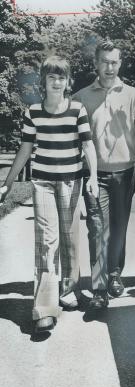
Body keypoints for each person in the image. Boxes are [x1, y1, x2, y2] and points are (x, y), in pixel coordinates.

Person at [0, 55, 98, 334]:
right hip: (42, 182)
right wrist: (8, 183)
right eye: (52, 77)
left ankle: (68, 291)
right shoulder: (33, 112)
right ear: (43, 81)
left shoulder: (77, 110)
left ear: (68, 82)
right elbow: (25, 149)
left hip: (72, 181)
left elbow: (88, 146)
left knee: (69, 238)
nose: (57, 82)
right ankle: (44, 308)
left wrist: (92, 177)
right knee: (47, 240)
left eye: (62, 77)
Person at [73, 39, 135, 309]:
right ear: (96, 64)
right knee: (97, 230)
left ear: (119, 64)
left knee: (118, 229)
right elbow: (71, 137)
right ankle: (99, 291)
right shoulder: (80, 98)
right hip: (94, 176)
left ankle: (114, 274)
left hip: (125, 174)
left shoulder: (132, 94)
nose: (109, 67)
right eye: (104, 62)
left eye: (114, 62)